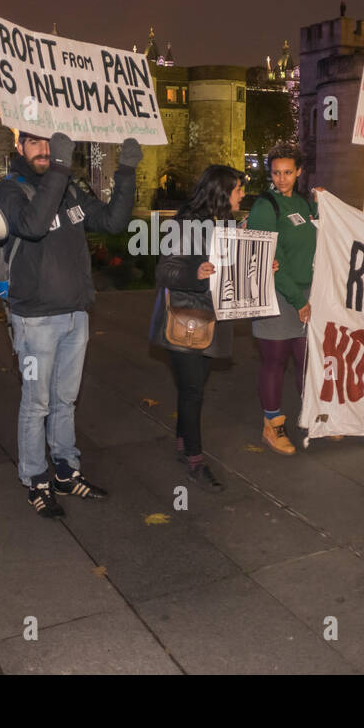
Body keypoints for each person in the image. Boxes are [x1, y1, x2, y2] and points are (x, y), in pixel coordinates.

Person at [0, 130, 140, 516]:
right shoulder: (10, 191)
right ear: (19, 147)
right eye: (37, 144)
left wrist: (126, 172)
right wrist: (59, 165)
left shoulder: (70, 189)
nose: (45, 151)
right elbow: (34, 225)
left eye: (52, 144)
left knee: (65, 401)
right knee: (36, 404)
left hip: (76, 314)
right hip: (35, 319)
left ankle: (65, 471)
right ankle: (35, 479)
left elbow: (111, 221)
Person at [148, 166, 244, 492]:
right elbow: (166, 271)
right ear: (222, 192)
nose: (242, 195)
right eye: (238, 189)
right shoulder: (187, 221)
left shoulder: (224, 222)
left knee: (194, 387)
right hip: (187, 319)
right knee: (193, 392)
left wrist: (258, 265)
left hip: (209, 320)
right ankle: (194, 459)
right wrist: (196, 274)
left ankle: (182, 440)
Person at [246, 142, 317, 455]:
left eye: (288, 172)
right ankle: (272, 426)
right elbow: (269, 260)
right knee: (274, 361)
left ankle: (314, 417)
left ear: (299, 172)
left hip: (306, 294)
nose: (282, 178)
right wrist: (297, 300)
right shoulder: (265, 206)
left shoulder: (303, 203)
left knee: (306, 362)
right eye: (276, 172)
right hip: (276, 294)